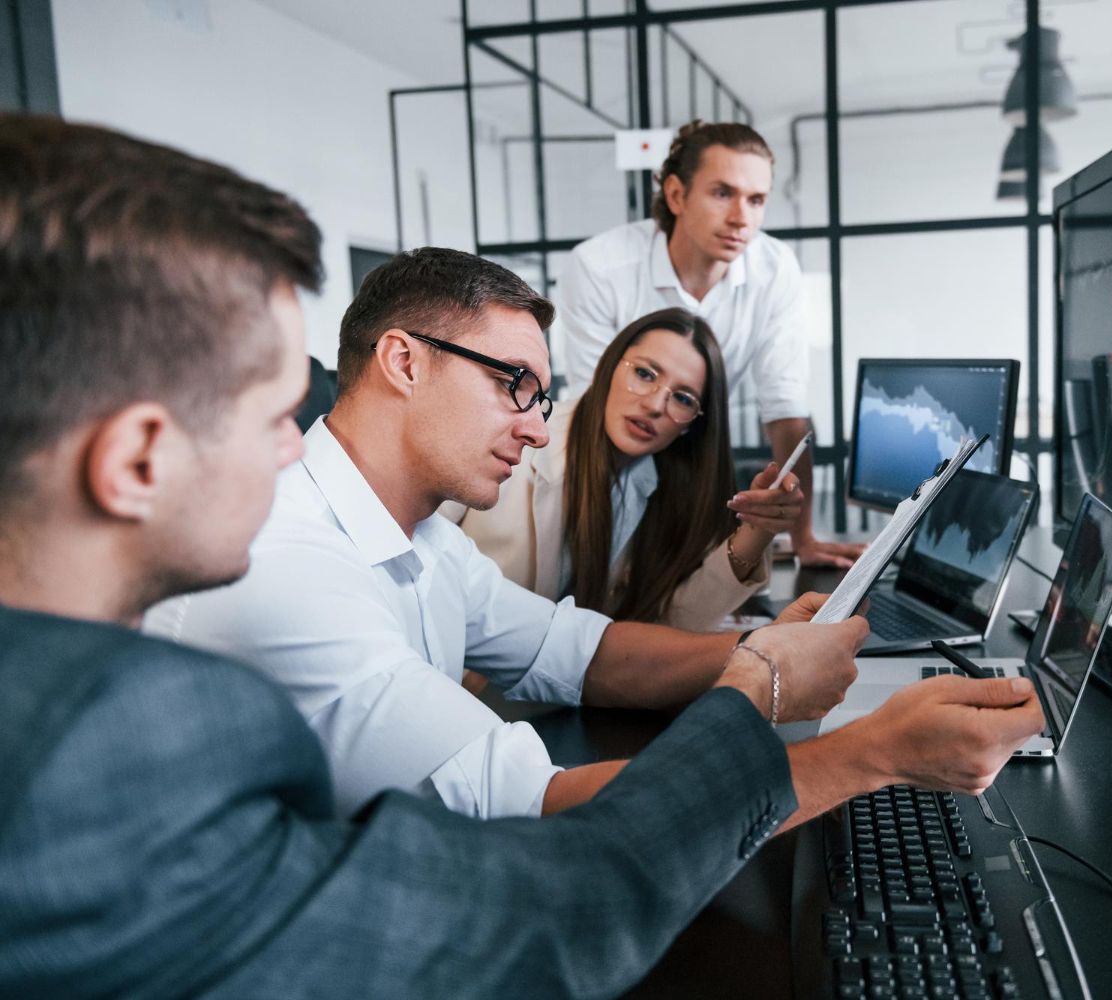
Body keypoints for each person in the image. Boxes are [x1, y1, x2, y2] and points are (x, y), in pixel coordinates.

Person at [0, 114, 1045, 998]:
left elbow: (572, 647)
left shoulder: (410, 533)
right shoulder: (236, 619)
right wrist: (858, 746)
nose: (544, 427)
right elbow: (562, 885)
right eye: (277, 410)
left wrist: (764, 648)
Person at [554, 120, 866, 569]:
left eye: (756, 200)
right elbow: (596, 406)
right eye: (723, 193)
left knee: (708, 594)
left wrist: (804, 539)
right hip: (602, 456)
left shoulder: (774, 268)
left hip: (698, 454)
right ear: (677, 195)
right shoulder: (601, 266)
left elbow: (786, 409)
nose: (742, 218)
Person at [463, 306, 802, 632]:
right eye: (644, 374)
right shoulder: (512, 433)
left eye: (683, 399)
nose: (655, 405)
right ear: (610, 366)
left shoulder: (662, 488)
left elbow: (674, 627)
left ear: (692, 426)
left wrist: (758, 531)